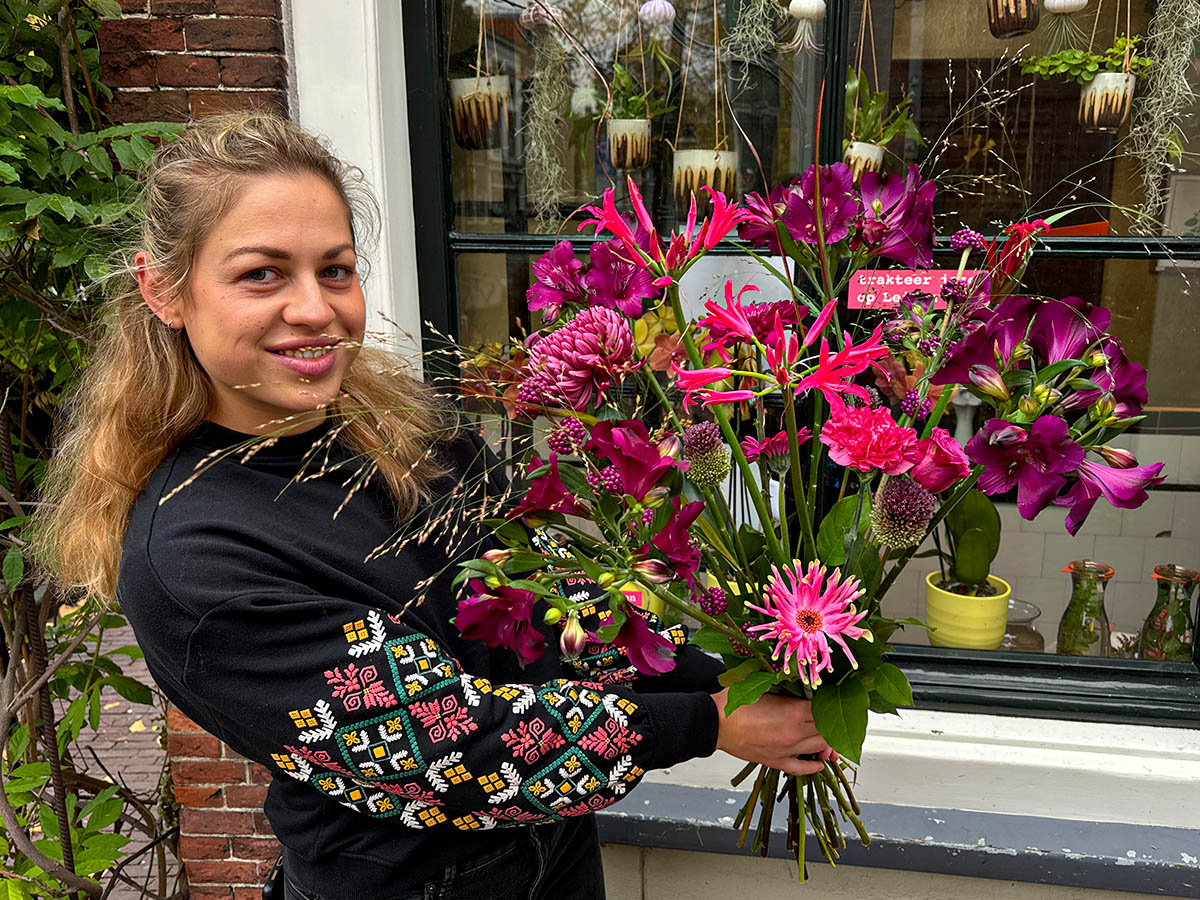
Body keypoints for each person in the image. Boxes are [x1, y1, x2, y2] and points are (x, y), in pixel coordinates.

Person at [37, 112, 832, 900]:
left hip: (555, 851)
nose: (315, 309)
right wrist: (711, 720)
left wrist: (741, 658)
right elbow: (458, 747)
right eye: (262, 274)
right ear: (163, 291)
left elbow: (559, 599)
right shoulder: (193, 560)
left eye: (336, 270)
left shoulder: (409, 432)